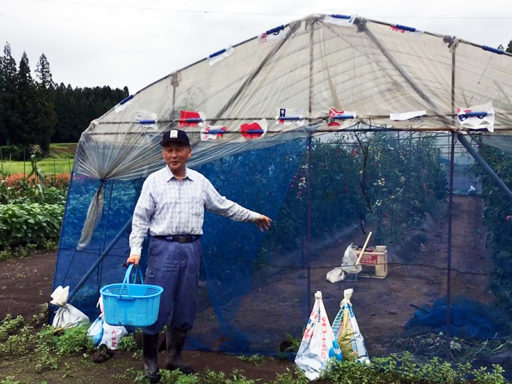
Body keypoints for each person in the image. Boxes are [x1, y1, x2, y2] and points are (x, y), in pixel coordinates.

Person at [126, 128, 272, 382]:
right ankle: (151, 361)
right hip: (163, 249)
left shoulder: (200, 182)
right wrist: (135, 251)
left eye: (179, 149)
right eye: (168, 150)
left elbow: (223, 205)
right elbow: (140, 221)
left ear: (188, 152)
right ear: (163, 153)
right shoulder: (154, 182)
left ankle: (174, 358)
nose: (174, 155)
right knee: (156, 307)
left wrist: (253, 216)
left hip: (191, 248)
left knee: (184, 305)